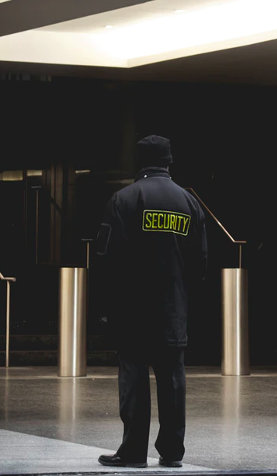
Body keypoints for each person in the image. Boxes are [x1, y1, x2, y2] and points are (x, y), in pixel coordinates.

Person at [95, 135, 207, 468]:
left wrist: (106, 307)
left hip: (133, 312)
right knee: (173, 381)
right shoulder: (189, 202)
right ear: (169, 161)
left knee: (134, 381)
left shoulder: (124, 199)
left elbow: (107, 259)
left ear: (140, 162)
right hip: (173, 310)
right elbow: (200, 265)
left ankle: (132, 452)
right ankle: (172, 453)